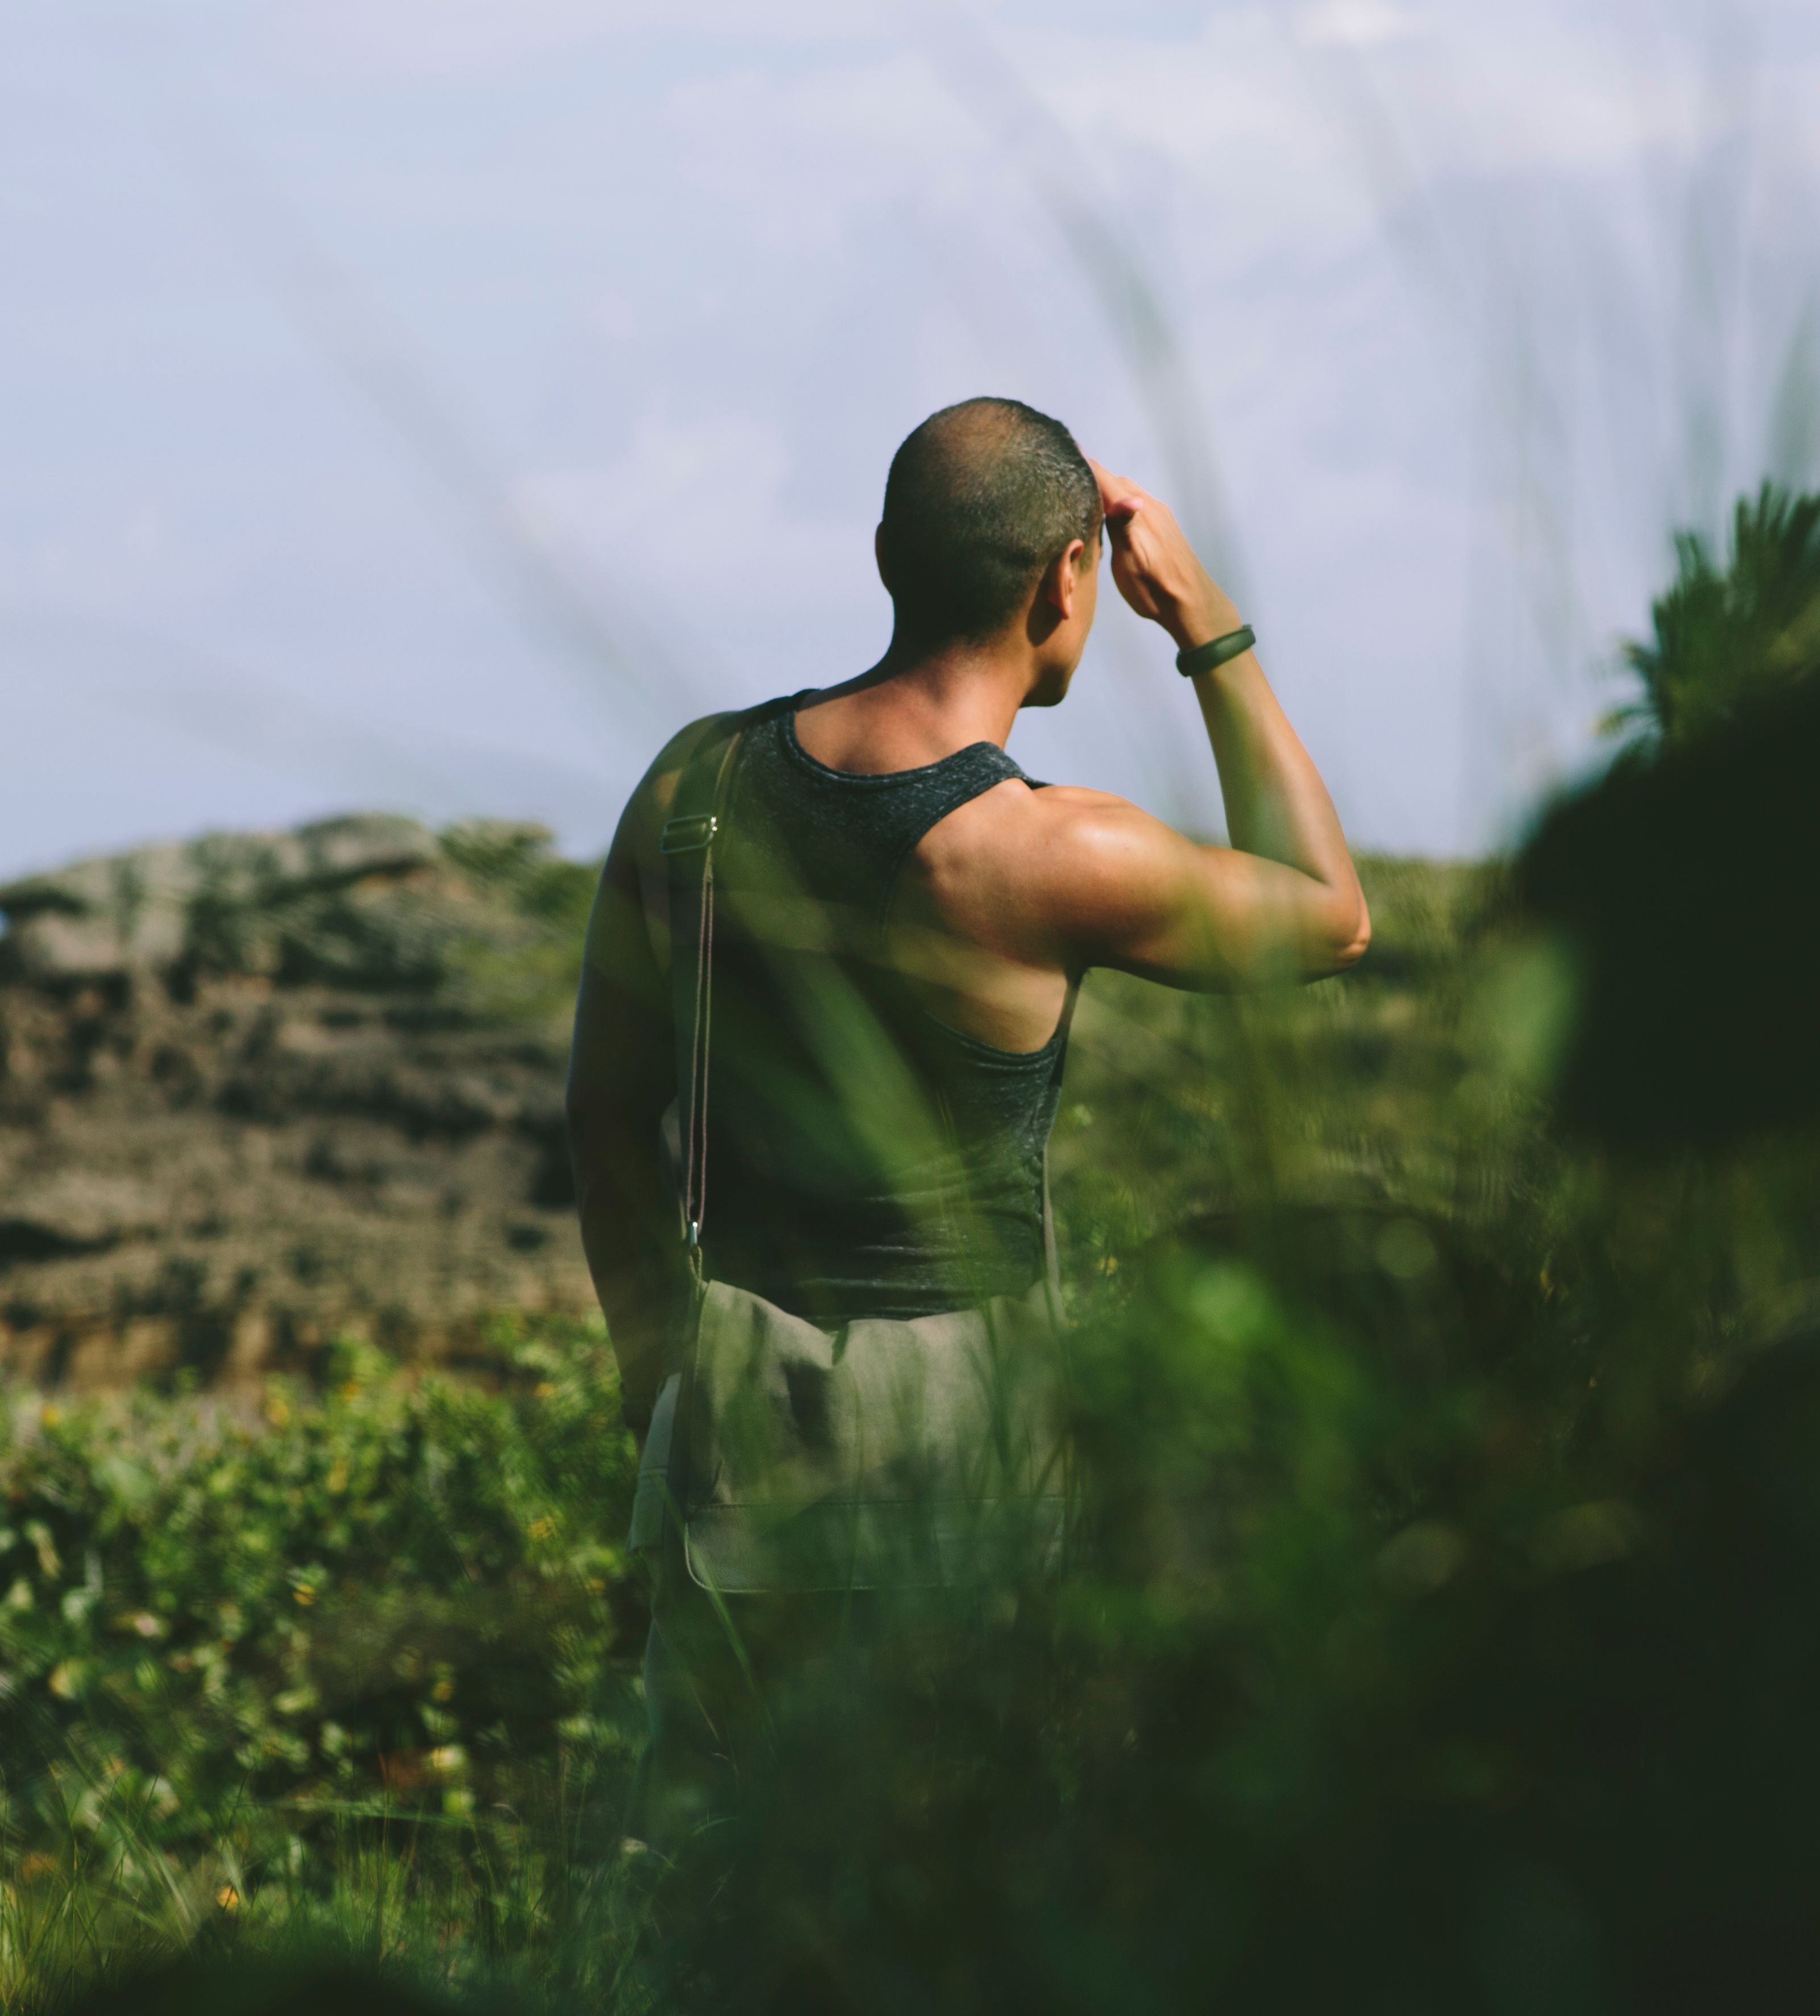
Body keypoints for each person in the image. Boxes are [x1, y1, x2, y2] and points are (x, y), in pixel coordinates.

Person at [565, 396, 1367, 1783]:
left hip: (729, 1437)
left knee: (719, 1893)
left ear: (884, 558)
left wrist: (661, 1386)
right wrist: (1207, 627)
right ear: (1070, 581)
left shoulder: (692, 787)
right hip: (964, 1445)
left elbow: (604, 1114)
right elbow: (1332, 914)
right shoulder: (1053, 854)